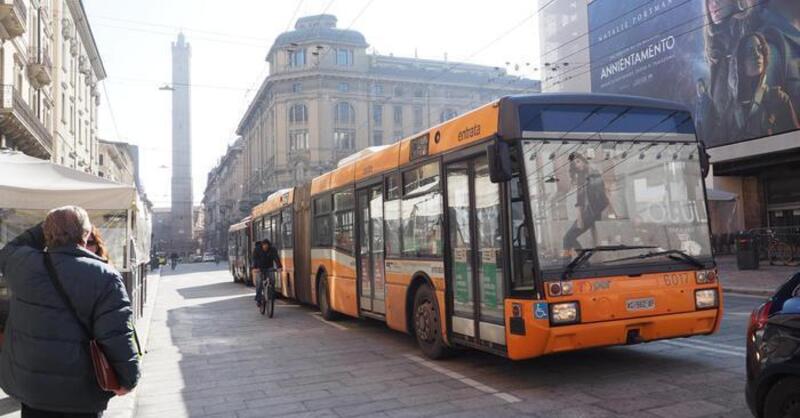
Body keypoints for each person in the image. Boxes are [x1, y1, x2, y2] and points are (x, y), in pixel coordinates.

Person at [0, 206, 140, 417]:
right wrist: (128, 379)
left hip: (33, 390)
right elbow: (116, 333)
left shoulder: (23, 265)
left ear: (46, 233)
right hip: (81, 393)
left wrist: (49, 226)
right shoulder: (105, 276)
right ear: (86, 234)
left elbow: (11, 248)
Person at [731, 33, 800, 138]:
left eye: (760, 49)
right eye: (750, 51)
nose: (757, 55)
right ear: (741, 61)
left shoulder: (779, 98)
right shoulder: (732, 109)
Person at [562, 153, 610, 255]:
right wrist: (580, 218)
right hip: (589, 213)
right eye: (575, 165)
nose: (577, 165)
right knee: (568, 238)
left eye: (578, 162)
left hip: (593, 213)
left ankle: (580, 262)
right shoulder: (581, 176)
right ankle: (582, 261)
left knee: (568, 238)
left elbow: (603, 195)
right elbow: (580, 199)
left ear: (583, 159)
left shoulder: (594, 174)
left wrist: (609, 212)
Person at [251, 239, 282, 307]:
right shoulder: (257, 249)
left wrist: (279, 267)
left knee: (273, 279)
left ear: (269, 245)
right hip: (259, 268)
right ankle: (258, 299)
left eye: (267, 246)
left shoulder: (272, 249)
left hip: (269, 267)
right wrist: (254, 268)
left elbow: (276, 258)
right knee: (259, 283)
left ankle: (272, 294)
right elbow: (254, 259)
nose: (265, 248)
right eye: (264, 246)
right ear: (262, 245)